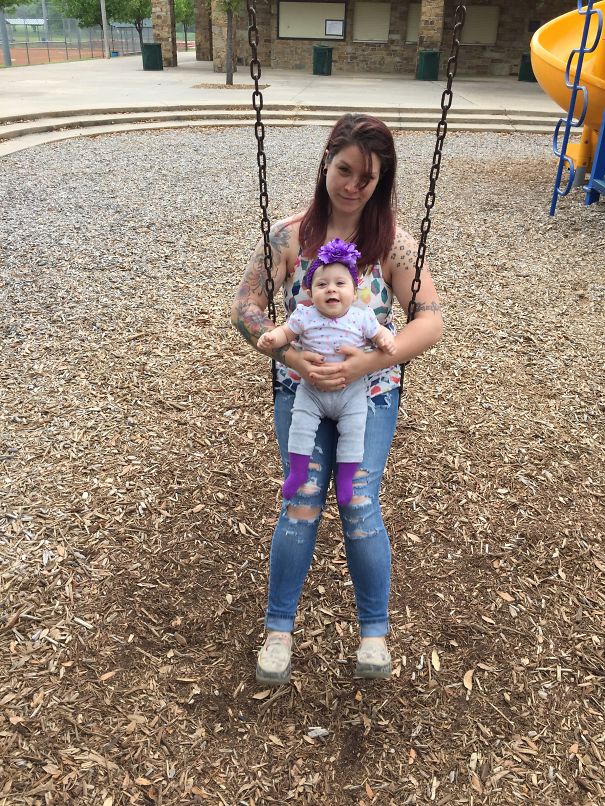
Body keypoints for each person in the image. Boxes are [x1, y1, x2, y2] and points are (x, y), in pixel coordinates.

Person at [231, 113, 443, 686]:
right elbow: (247, 308)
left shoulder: (392, 244)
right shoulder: (290, 236)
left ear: (381, 182)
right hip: (300, 390)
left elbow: (430, 319)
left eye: (367, 178)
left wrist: (378, 358)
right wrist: (291, 357)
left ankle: (373, 634)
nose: (353, 185)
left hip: (368, 394)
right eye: (345, 169)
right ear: (327, 161)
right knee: (300, 496)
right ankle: (279, 630)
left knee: (357, 503)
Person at [257, 238, 396, 506]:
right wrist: (272, 338)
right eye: (322, 285)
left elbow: (379, 334)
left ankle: (345, 479)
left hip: (351, 389)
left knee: (354, 431)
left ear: (354, 292)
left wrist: (385, 341)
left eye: (340, 284)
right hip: (312, 389)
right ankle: (297, 473)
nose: (331, 289)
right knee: (300, 425)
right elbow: (286, 332)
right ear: (310, 291)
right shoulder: (305, 315)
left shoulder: (362, 316)